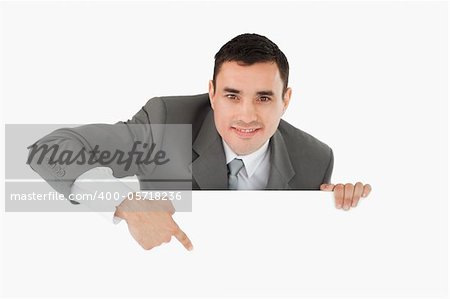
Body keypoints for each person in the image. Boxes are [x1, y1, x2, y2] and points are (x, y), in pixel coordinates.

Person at [27, 33, 372, 251]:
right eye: (232, 96)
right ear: (211, 93)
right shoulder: (165, 125)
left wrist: (340, 211)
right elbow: (47, 150)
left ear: (287, 99)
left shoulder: (315, 158)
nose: (247, 115)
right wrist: (125, 202)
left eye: (264, 98)